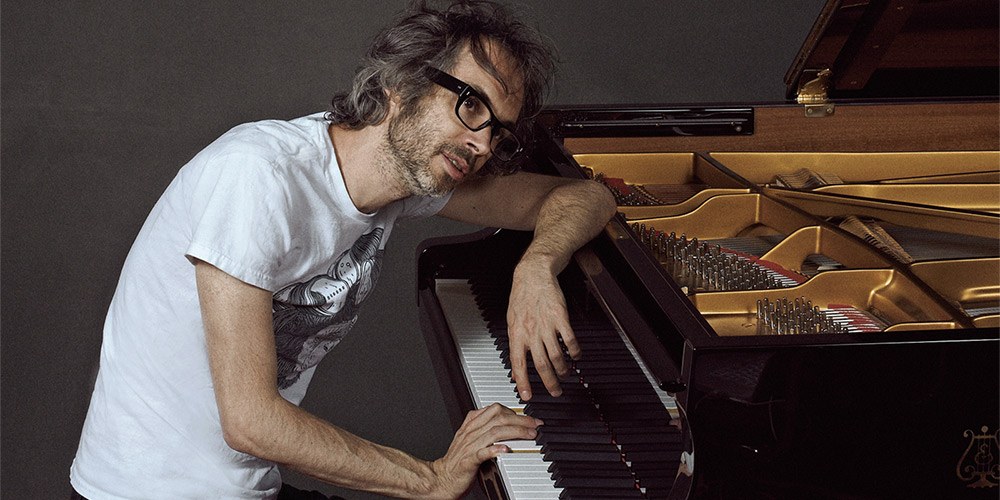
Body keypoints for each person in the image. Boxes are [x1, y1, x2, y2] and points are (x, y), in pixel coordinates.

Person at [69, 0, 616, 498]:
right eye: (470, 105)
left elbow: (584, 197)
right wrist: (428, 479)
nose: (481, 144)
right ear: (403, 83)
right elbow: (250, 420)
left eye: (500, 132)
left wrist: (538, 264)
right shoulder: (257, 177)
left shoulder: (404, 187)